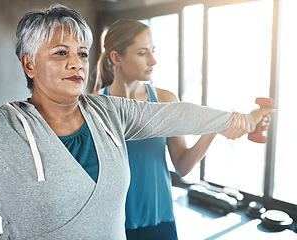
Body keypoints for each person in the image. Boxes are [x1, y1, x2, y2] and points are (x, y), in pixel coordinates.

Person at [0, 4, 274, 240]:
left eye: (82, 53)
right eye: (60, 53)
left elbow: (175, 114)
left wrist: (238, 118)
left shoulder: (109, 111)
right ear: (29, 65)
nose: (76, 63)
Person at [93, 19, 272, 240]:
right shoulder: (94, 104)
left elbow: (183, 166)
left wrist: (212, 128)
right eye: (142, 53)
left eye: (153, 51)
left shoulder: (165, 100)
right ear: (116, 57)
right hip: (112, 224)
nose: (153, 60)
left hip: (160, 218)